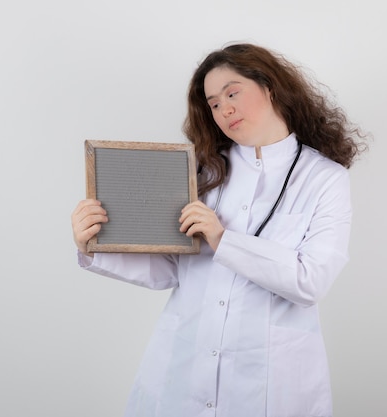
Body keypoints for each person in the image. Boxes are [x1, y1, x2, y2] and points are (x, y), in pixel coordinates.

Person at [71, 43, 367, 417]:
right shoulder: (203, 173)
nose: (224, 109)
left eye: (232, 93)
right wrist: (93, 244)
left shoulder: (324, 178)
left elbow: (311, 280)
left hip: (271, 381)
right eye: (212, 103)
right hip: (184, 366)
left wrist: (224, 239)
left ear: (271, 87)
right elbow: (171, 269)